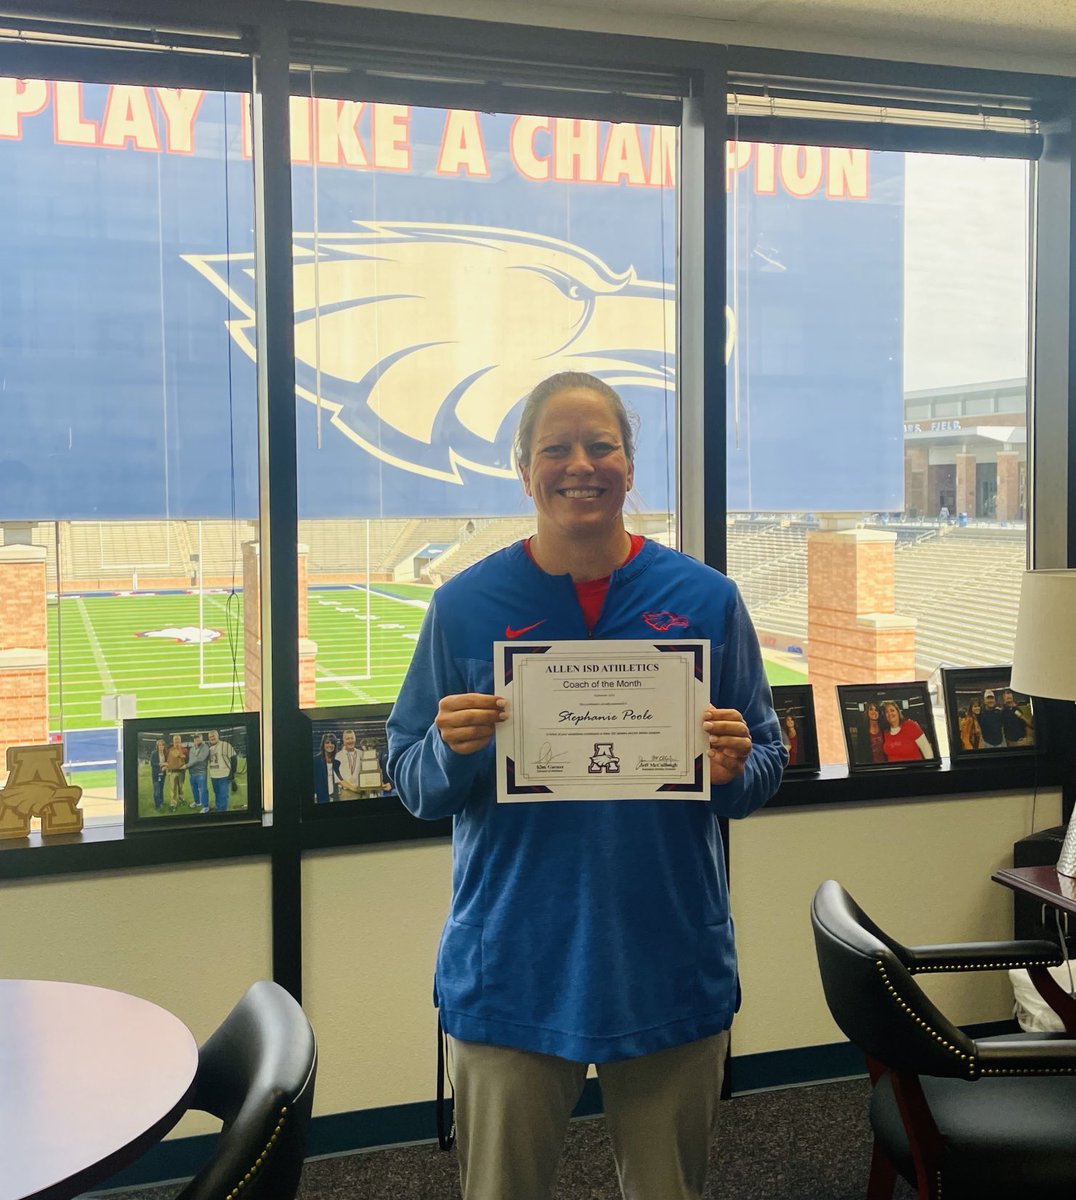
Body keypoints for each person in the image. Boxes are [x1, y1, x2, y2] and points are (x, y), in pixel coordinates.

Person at [387, 370, 786, 1200]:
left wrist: (731, 766)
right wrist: (451, 748)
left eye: (601, 445)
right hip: (512, 966)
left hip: (668, 958)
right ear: (524, 468)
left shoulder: (706, 600)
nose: (580, 465)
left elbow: (763, 765)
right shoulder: (463, 607)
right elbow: (413, 782)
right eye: (555, 448)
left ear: (630, 466)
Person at [206, 729, 238, 811]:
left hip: (224, 775)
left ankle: (223, 812)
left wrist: (232, 772)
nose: (211, 738)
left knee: (223, 795)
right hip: (214, 775)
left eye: (213, 736)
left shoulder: (225, 745)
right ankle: (218, 808)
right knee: (217, 793)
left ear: (218, 736)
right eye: (210, 737)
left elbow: (234, 758)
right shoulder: (210, 749)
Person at [313, 731, 342, 804]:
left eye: (332, 743)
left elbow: (340, 779)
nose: (330, 745)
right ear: (323, 745)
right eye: (327, 742)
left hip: (335, 796)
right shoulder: (316, 760)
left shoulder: (337, 762)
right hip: (320, 797)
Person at [186, 731, 210, 811]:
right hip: (192, 773)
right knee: (194, 789)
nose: (197, 740)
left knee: (203, 790)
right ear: (194, 740)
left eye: (198, 738)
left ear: (202, 739)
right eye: (195, 739)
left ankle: (205, 806)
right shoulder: (192, 749)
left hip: (201, 772)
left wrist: (187, 766)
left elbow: (200, 759)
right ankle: (197, 802)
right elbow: (190, 760)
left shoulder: (205, 747)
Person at [337, 729, 363, 800]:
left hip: (362, 792)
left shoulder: (362, 753)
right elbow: (338, 779)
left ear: (355, 739)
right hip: (346, 793)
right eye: (347, 739)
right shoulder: (338, 756)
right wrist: (354, 788)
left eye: (352, 738)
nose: (350, 741)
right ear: (344, 740)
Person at [163, 733, 187, 810]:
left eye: (178, 740)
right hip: (172, 772)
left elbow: (187, 760)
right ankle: (173, 804)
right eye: (175, 740)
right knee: (173, 788)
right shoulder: (170, 750)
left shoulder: (184, 749)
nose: (176, 741)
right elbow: (167, 760)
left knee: (181, 787)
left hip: (181, 772)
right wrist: (166, 766)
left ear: (180, 741)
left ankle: (182, 799)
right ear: (173, 741)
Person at [150, 738, 167, 811]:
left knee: (161, 788)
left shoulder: (165, 753)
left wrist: (166, 766)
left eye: (162, 745)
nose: (160, 747)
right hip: (156, 774)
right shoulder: (154, 753)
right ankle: (157, 806)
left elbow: (168, 762)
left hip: (163, 774)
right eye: (159, 745)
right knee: (157, 790)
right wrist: (161, 764)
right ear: (157, 746)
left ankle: (161, 802)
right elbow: (152, 763)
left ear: (164, 746)